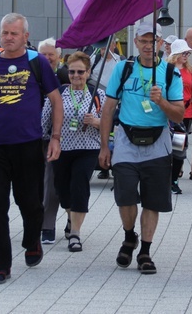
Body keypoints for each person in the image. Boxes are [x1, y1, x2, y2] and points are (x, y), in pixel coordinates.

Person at [0, 13, 63, 285]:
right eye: (4, 33)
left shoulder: (37, 62)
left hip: (28, 143)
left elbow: (55, 101)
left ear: (25, 36)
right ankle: (0, 266)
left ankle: (32, 240)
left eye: (14, 33)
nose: (8, 38)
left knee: (30, 203)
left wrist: (55, 138)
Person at [98, 21, 184, 275]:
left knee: (152, 200)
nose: (148, 46)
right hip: (126, 139)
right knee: (124, 196)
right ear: (135, 42)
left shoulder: (170, 73)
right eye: (144, 41)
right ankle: (128, 236)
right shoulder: (123, 69)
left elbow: (179, 116)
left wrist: (163, 103)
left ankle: (145, 251)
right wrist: (104, 146)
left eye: (153, 41)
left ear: (161, 43)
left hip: (158, 143)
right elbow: (108, 108)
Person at [42, 51, 106, 252]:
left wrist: (96, 122)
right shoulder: (58, 93)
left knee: (80, 185)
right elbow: (44, 119)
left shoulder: (98, 95)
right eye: (72, 72)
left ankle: (75, 234)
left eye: (80, 72)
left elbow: (108, 123)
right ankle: (71, 216)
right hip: (62, 148)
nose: (76, 76)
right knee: (62, 189)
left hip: (87, 148)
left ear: (88, 72)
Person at [37, 37, 66, 245]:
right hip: (29, 136)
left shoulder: (64, 77)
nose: (47, 59)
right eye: (43, 55)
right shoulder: (30, 75)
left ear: (59, 57)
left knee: (51, 182)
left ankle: (48, 225)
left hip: (55, 137)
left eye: (51, 55)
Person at [166, 38, 192, 195]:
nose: (186, 55)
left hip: (184, 115)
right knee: (165, 148)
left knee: (179, 149)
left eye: (188, 52)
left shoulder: (191, 70)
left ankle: (173, 180)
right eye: (183, 52)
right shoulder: (166, 68)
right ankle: (163, 180)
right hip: (167, 114)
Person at [89, 38, 121, 180]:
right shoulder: (93, 60)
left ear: (114, 45)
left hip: (113, 99)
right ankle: (102, 166)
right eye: (101, 48)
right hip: (96, 98)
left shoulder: (119, 61)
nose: (104, 50)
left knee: (111, 130)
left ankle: (113, 163)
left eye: (107, 46)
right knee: (96, 128)